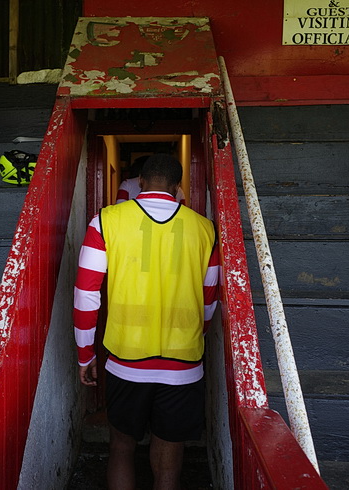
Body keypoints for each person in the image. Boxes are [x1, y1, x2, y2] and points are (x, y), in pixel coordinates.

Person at [74, 154, 219, 489]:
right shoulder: (204, 228)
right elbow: (210, 298)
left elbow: (85, 293)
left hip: (125, 362)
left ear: (140, 183)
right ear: (177, 187)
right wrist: (197, 338)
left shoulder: (106, 220)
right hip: (184, 363)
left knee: (122, 447)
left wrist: (86, 354)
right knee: (170, 458)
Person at [116, 155, 186, 205]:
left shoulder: (127, 184)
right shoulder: (179, 191)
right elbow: (183, 213)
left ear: (140, 179)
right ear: (177, 186)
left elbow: (120, 207)